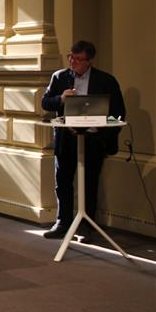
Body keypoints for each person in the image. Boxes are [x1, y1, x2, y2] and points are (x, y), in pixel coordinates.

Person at [41, 40, 125, 243]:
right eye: (71, 57)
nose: (73, 62)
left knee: (89, 183)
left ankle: (86, 226)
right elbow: (45, 103)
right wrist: (61, 99)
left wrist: (102, 138)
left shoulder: (106, 80)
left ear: (89, 61)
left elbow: (118, 114)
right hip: (66, 139)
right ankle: (63, 222)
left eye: (78, 59)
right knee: (63, 181)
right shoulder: (60, 77)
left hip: (93, 140)